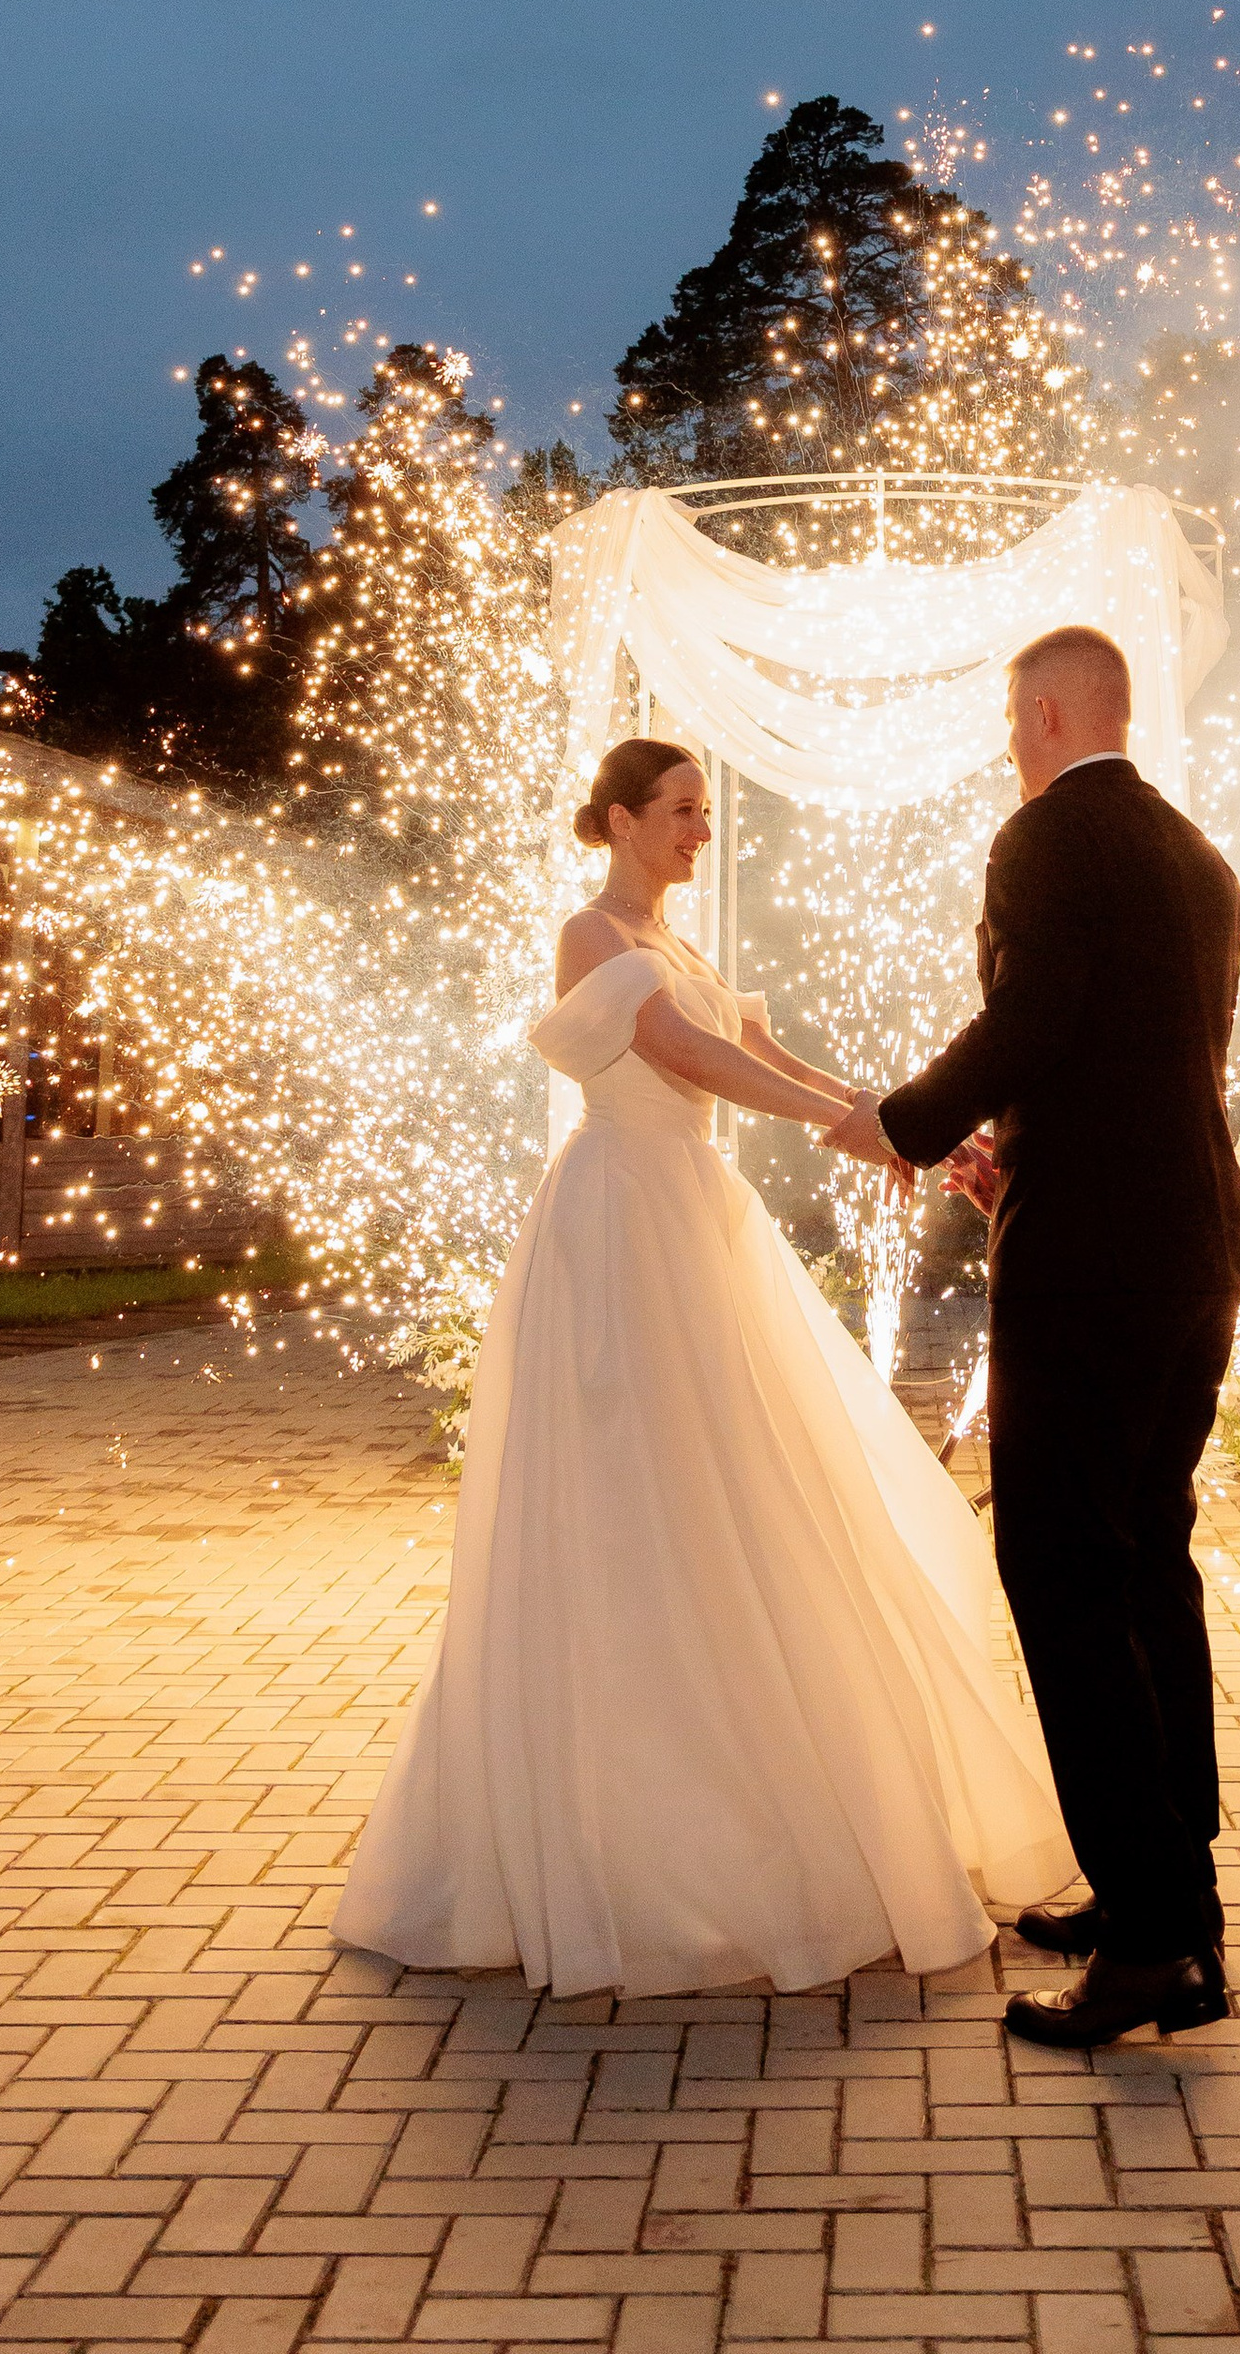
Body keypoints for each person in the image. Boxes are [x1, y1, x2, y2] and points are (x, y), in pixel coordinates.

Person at [336, 734, 1075, 2000]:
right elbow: (684, 1056)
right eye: (681, 809)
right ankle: (630, 1837)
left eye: (706, 810)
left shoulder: (683, 941)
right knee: (635, 1490)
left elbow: (766, 1057)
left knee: (748, 1482)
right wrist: (853, 1133)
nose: (700, 828)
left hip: (692, 1214)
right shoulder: (591, 935)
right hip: (620, 1229)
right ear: (620, 819)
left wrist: (914, 1128)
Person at [824, 623, 1240, 2047]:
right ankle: (1171, 1901)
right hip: (1193, 1249)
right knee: (1147, 1562)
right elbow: (1152, 1052)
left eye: (1017, 723)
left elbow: (1034, 1013)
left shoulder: (1041, 840)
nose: (1010, 746)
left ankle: (1146, 1949)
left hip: (1090, 1268)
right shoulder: (1196, 855)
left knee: (1064, 1572)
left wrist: (902, 1124)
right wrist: (1024, 1148)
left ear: (1055, 709)